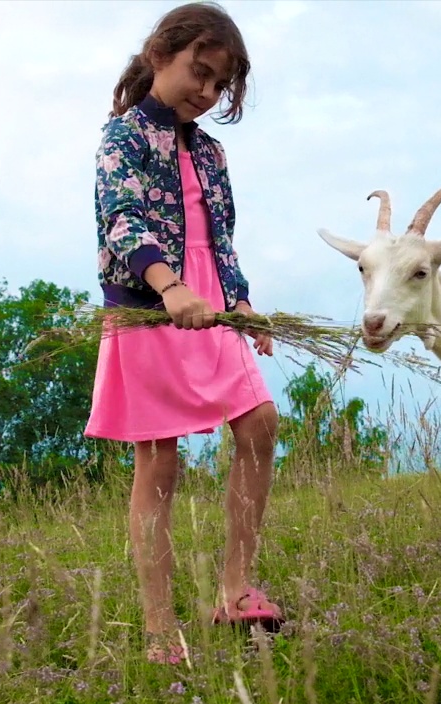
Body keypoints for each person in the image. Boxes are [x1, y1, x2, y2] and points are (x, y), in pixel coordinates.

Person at [85, 1, 285, 665]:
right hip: (151, 303)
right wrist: (169, 287)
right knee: (159, 461)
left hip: (209, 306)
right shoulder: (123, 138)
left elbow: (219, 238)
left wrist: (241, 302)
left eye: (219, 84)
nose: (207, 91)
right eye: (199, 72)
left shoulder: (212, 152)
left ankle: (234, 587)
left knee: (259, 421)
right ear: (158, 56)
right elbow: (124, 223)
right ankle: (158, 630)